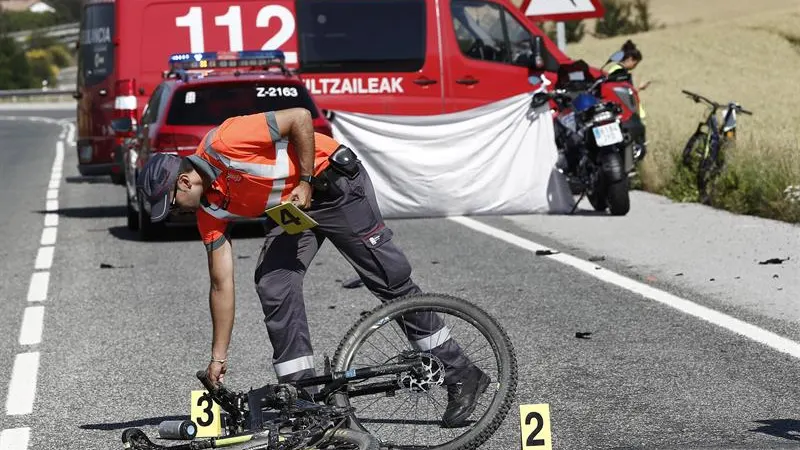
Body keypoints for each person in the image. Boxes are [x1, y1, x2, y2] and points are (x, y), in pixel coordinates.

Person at [135, 108, 489, 428]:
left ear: (184, 182)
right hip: (295, 212)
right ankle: (303, 400)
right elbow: (220, 285)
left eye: (173, 204)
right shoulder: (208, 212)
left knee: (389, 279)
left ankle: (460, 371)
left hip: (332, 185)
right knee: (274, 284)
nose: (176, 212)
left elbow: (300, 118)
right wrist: (218, 358)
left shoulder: (226, 140)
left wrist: (304, 181)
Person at [603, 39, 649, 122]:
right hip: (625, 115)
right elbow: (623, 96)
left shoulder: (617, 70)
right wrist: (639, 88)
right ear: (630, 59)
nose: (635, 66)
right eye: (635, 63)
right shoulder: (619, 72)